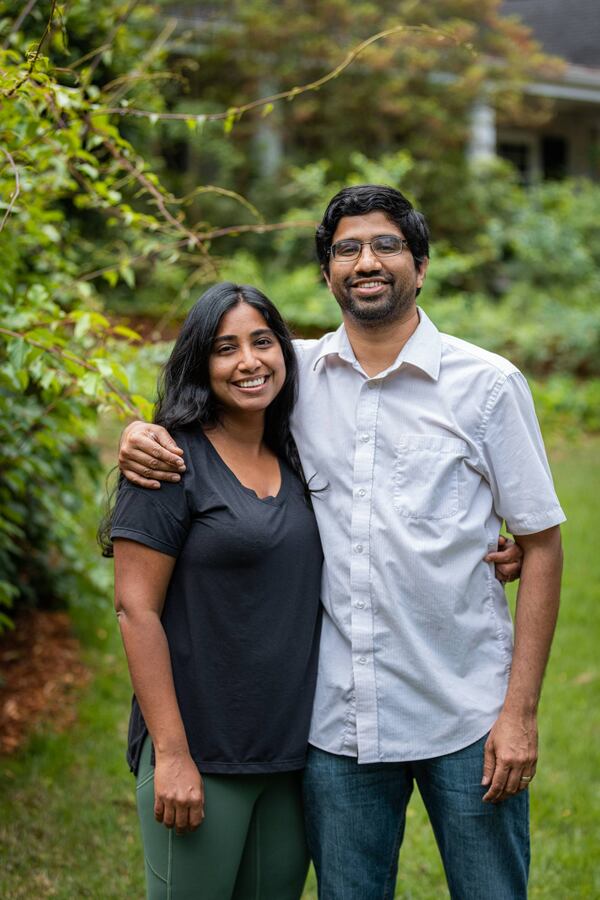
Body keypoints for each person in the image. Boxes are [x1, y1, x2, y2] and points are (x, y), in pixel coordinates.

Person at [118, 184, 562, 900]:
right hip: (338, 726)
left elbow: (541, 545)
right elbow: (207, 393)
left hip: (468, 716)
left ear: (420, 265)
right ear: (327, 271)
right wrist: (137, 435)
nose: (367, 261)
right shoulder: (296, 378)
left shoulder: (488, 386)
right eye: (347, 248)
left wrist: (519, 715)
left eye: (387, 244)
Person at [102, 283, 324, 900]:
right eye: (226, 348)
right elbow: (134, 609)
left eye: (262, 341)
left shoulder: (302, 454)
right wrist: (172, 754)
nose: (249, 361)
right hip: (199, 753)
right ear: (201, 363)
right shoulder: (168, 463)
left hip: (291, 754)